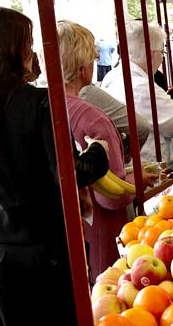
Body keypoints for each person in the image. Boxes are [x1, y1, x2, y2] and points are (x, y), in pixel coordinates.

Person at [0, 5, 110, 326]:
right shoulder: (40, 102)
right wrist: (99, 151)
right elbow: (71, 175)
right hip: (52, 253)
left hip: (5, 255)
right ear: (14, 49)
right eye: (27, 43)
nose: (32, 52)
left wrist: (3, 188)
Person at [57, 20, 138, 281]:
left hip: (67, 239)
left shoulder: (46, 111)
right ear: (83, 67)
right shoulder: (93, 120)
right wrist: (134, 181)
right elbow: (111, 198)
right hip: (103, 236)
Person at [101, 21, 173, 160]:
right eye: (162, 52)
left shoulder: (113, 76)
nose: (161, 58)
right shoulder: (140, 88)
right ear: (151, 54)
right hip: (149, 168)